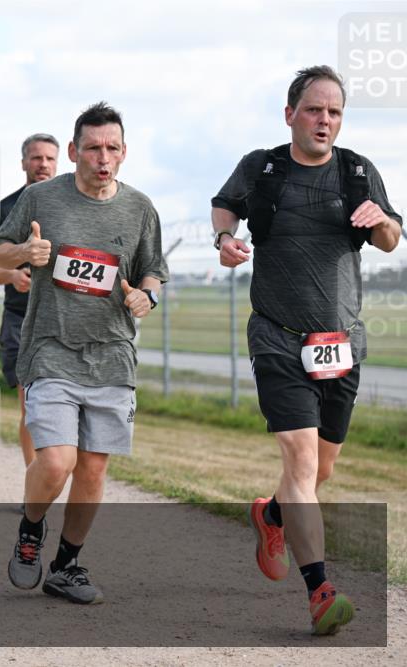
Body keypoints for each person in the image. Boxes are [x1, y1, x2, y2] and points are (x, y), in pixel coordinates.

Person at [211, 65, 401, 636]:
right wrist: (225, 238)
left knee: (323, 467)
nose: (324, 120)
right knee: (301, 460)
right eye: (314, 109)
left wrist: (382, 220)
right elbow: (225, 204)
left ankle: (271, 514)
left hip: (340, 344)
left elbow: (390, 240)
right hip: (278, 336)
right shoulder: (262, 167)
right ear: (290, 113)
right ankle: (320, 591)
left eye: (334, 112)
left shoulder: (357, 171)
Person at [0, 102, 167, 605]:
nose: (102, 158)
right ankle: (31, 529)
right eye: (92, 148)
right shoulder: (40, 198)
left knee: (92, 468)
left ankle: (66, 566)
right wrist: (24, 253)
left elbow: (153, 270)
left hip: (112, 354)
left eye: (112, 148)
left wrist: (147, 295)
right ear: (73, 151)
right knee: (56, 461)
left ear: (124, 152)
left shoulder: (140, 208)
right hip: (51, 348)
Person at [0, 133, 59, 475]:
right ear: (24, 162)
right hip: (20, 318)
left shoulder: (72, 205)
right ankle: (34, 482)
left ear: (59, 162)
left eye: (49, 158)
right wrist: (10, 276)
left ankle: (56, 473)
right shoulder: (6, 209)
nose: (43, 164)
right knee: (31, 406)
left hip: (63, 320)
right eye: (36, 158)